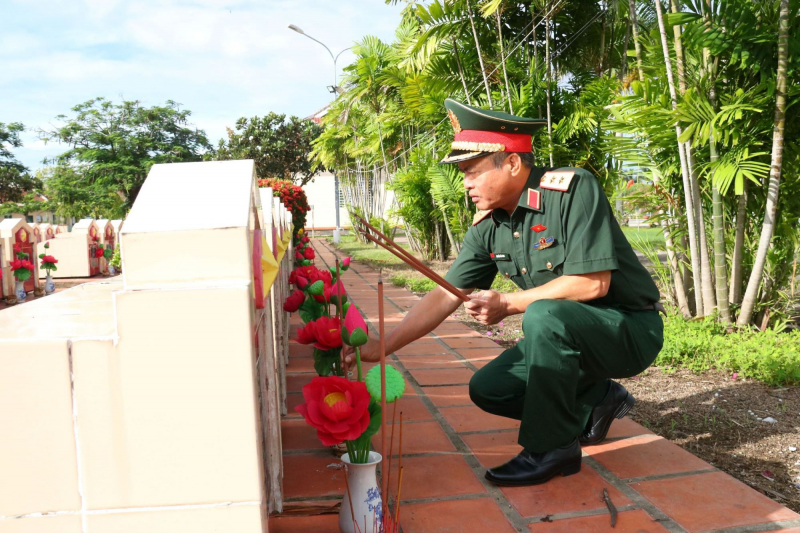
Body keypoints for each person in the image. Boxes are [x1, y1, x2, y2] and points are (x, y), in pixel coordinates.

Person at [345, 98, 664, 487]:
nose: (465, 182)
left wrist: (509, 303)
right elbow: (446, 294)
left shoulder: (571, 190)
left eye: (472, 171)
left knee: (543, 313)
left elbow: (591, 283)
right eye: (462, 173)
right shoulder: (489, 226)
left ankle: (552, 449)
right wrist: (382, 347)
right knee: (490, 390)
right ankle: (598, 399)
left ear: (512, 163)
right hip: (568, 335)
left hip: (628, 330)